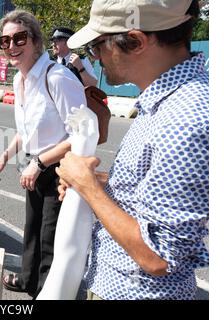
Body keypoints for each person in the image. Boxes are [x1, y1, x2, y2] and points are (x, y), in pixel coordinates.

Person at [57, 0, 209, 300]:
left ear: (137, 41)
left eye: (97, 46)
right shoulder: (166, 101)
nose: (95, 57)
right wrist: (100, 185)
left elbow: (159, 257)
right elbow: (148, 198)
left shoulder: (185, 118)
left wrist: (89, 188)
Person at [0, 10, 86, 297]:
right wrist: (4, 156)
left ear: (35, 40)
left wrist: (41, 163)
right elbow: (27, 132)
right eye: (4, 41)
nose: (11, 46)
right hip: (34, 167)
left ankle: (45, 292)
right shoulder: (21, 80)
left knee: (49, 241)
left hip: (59, 171)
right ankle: (28, 280)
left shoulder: (57, 78)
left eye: (19, 38)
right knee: (31, 231)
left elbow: (82, 134)